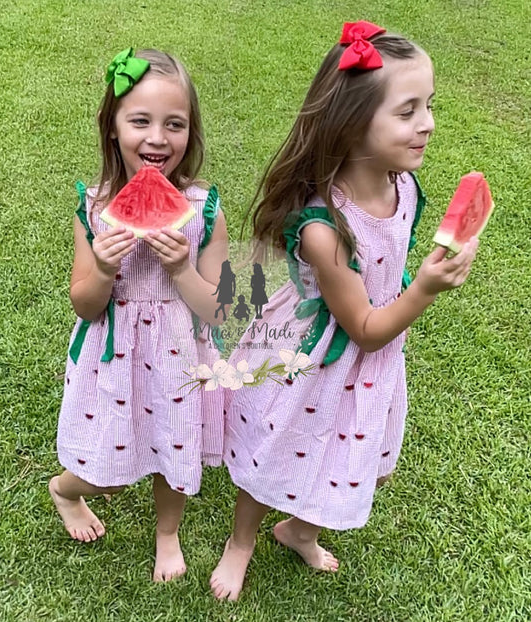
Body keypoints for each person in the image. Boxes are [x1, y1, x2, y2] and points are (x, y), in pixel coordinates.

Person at [210, 21, 478, 600]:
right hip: (316, 357)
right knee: (274, 452)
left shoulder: (402, 185)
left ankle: (298, 530)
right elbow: (364, 328)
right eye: (408, 111)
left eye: (429, 105)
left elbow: (390, 276)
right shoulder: (323, 230)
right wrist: (427, 287)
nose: (427, 123)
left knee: (353, 457)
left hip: (369, 370)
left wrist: (438, 259)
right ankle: (242, 541)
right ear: (354, 126)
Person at [48, 48, 229, 582]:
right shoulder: (94, 207)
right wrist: (102, 269)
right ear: (113, 128)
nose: (157, 138)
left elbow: (217, 311)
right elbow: (84, 302)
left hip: (180, 356)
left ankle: (167, 535)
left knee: (175, 454)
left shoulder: (204, 209)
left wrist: (181, 271)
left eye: (174, 124)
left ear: (190, 133)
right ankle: (67, 489)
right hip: (115, 357)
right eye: (140, 121)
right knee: (106, 470)